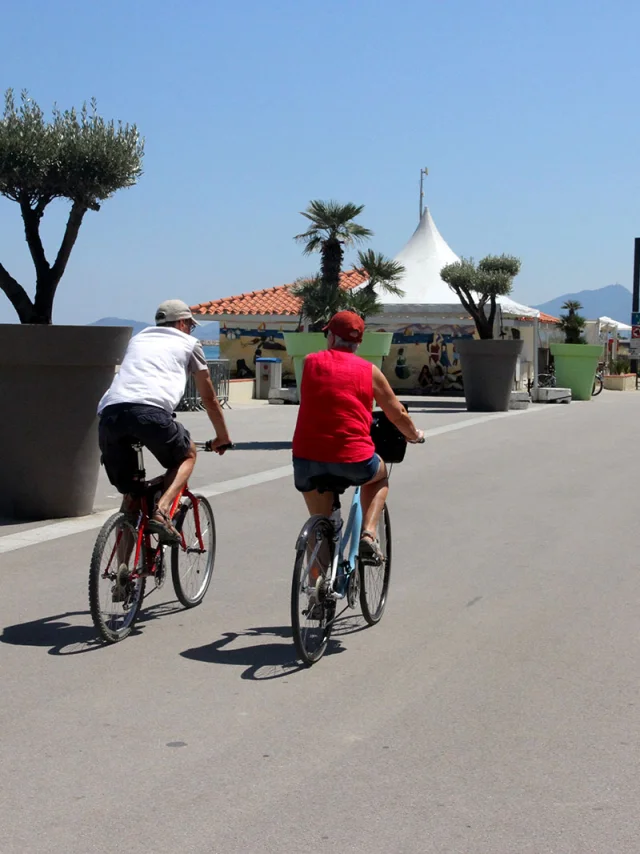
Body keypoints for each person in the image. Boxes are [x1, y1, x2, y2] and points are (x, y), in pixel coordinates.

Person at [292, 310, 424, 565]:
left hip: (306, 459)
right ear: (358, 343)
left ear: (330, 337)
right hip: (353, 459)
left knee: (320, 528)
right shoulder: (369, 371)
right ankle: (369, 535)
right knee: (380, 475)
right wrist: (414, 435)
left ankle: (317, 593)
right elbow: (396, 413)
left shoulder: (309, 362)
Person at [98, 299, 231, 543]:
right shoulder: (189, 343)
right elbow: (209, 397)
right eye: (190, 325)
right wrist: (222, 437)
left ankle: (123, 576)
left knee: (131, 496)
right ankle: (161, 511)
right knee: (187, 453)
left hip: (110, 415)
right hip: (151, 412)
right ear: (182, 322)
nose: (191, 330)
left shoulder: (138, 339)